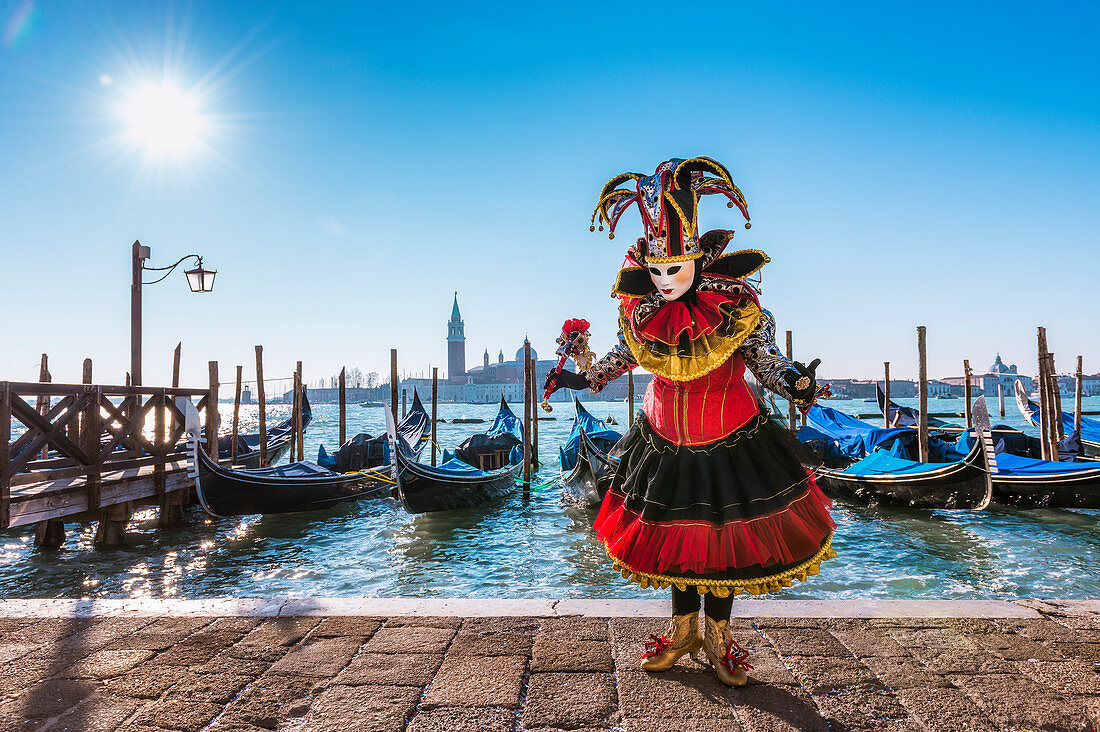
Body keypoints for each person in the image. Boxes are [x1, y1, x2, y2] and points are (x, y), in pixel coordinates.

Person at [546, 157, 836, 686]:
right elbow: (619, 358)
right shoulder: (644, 309)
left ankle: (719, 640)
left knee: (720, 542)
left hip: (729, 438)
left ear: (698, 262)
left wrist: (794, 380)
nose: (664, 282)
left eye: (673, 270)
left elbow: (765, 361)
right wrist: (580, 379)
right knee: (679, 541)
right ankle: (684, 634)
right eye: (655, 272)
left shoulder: (735, 306)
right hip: (663, 440)